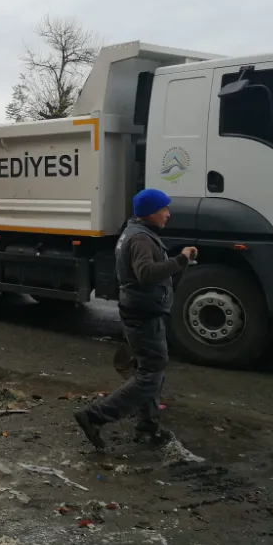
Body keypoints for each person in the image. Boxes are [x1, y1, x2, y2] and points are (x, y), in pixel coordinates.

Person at [74, 188, 197, 451]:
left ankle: (148, 428)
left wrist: (179, 266)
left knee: (153, 371)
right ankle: (95, 416)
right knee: (150, 374)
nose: (168, 213)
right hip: (144, 314)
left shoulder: (136, 232)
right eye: (164, 208)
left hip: (142, 311)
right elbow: (145, 273)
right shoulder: (141, 239)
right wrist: (180, 259)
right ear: (151, 212)